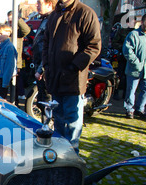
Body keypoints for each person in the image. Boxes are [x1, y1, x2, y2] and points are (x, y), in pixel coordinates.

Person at [42, 0, 101, 154]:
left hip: (73, 80)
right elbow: (46, 43)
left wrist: (75, 66)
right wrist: (46, 65)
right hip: (55, 78)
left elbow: (94, 45)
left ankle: (72, 156)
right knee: (58, 120)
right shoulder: (54, 15)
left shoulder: (85, 13)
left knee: (73, 122)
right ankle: (59, 155)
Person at [122, 13, 146, 119]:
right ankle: (129, 109)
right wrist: (136, 63)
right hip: (134, 69)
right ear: (142, 22)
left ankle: (140, 109)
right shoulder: (133, 35)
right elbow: (127, 50)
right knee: (131, 90)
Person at [32, 0, 55, 110]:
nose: (37, 5)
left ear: (49, 4)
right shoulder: (45, 19)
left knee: (47, 104)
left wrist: (41, 69)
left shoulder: (51, 20)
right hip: (41, 66)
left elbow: (50, 48)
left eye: (39, 2)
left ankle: (47, 126)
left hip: (46, 69)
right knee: (42, 103)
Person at [6, 10, 31, 104]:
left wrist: (19, 20)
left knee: (16, 83)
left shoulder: (18, 30)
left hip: (17, 61)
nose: (10, 22)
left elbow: (27, 30)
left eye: (12, 20)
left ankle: (16, 102)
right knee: (7, 85)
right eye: (9, 20)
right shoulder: (6, 29)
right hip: (6, 61)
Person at [0, 24, 18, 100]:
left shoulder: (9, 48)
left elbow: (9, 66)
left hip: (2, 79)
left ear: (8, 34)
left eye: (1, 34)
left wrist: (5, 83)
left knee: (0, 100)